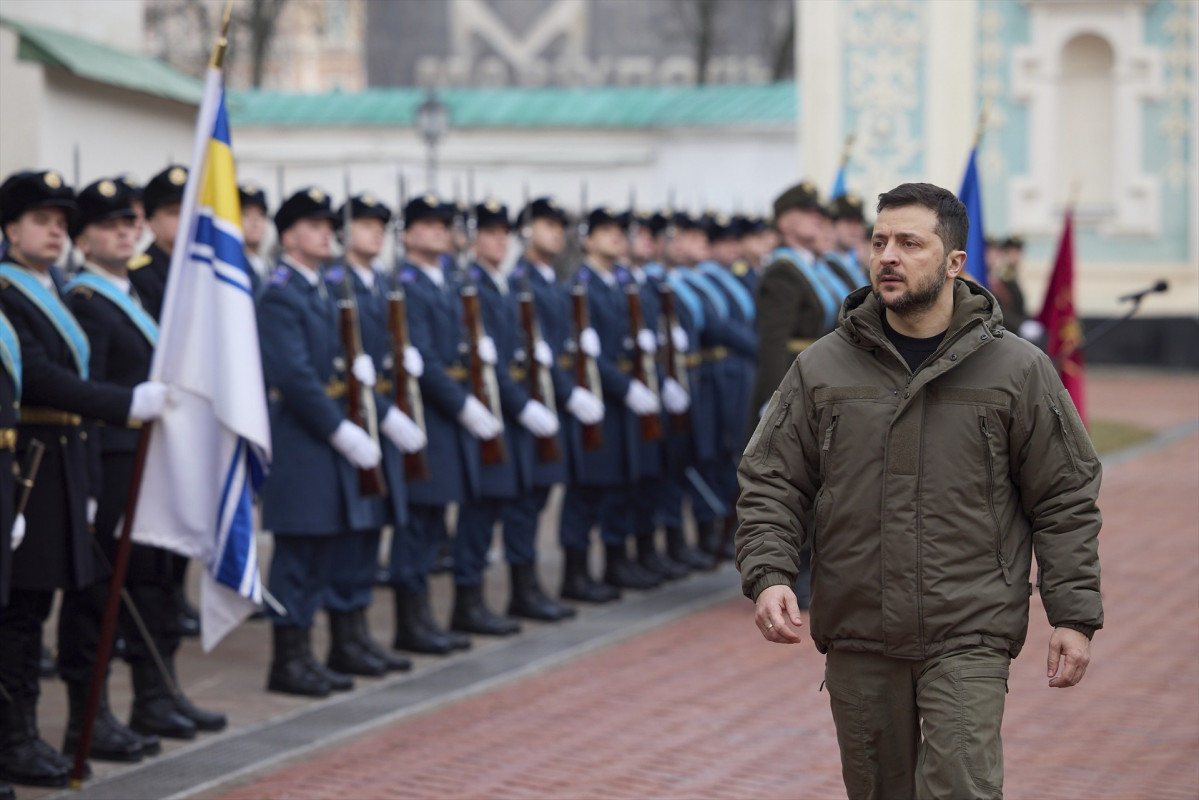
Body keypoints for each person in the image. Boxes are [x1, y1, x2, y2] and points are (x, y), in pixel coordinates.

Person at [736, 182, 1103, 800]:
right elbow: (772, 478)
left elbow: (1063, 497)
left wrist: (1074, 615)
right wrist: (770, 571)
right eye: (879, 241)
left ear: (955, 262)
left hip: (969, 627)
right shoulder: (822, 367)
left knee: (962, 788)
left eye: (910, 242)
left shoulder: (1017, 369)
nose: (888, 256)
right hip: (858, 626)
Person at [0, 169, 167, 788]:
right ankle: (14, 738)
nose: (54, 232)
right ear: (11, 228)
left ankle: (34, 734)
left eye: (60, 222)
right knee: (21, 615)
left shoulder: (54, 288)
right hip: (31, 464)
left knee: (45, 602)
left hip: (69, 460)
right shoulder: (11, 293)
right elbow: (40, 377)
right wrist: (124, 403)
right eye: (41, 221)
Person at [257, 187, 382, 697]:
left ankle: (310, 653)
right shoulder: (280, 292)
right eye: (313, 225)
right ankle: (287, 660)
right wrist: (340, 429)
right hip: (301, 441)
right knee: (296, 556)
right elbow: (295, 374)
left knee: (321, 552)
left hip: (325, 441)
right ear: (289, 237)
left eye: (329, 224)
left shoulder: (323, 289)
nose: (326, 232)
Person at [392, 193, 498, 654]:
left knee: (434, 523)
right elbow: (427, 361)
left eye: (444, 224)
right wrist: (464, 405)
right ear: (409, 233)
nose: (439, 231)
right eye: (428, 224)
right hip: (428, 415)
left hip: (450, 418)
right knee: (417, 523)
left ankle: (426, 619)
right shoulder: (406, 283)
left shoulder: (448, 282)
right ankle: (409, 623)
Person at [453, 198, 562, 633]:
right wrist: (522, 405)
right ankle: (467, 600)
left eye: (504, 234)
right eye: (489, 234)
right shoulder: (472, 285)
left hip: (513, 409)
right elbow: (485, 364)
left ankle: (524, 586)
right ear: (473, 239)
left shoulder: (509, 286)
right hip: (490, 411)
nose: (499, 241)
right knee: (480, 511)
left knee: (519, 502)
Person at [322, 192, 420, 676]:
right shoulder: (335, 284)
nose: (374, 233)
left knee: (373, 529)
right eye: (364, 225)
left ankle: (360, 632)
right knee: (352, 531)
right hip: (359, 419)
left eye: (380, 226)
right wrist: (384, 411)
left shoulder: (382, 283)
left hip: (381, 417)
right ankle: (344, 637)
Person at [504, 197, 597, 617]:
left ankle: (533, 588)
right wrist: (568, 392)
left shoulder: (552, 281)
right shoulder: (520, 282)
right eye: (547, 224)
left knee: (540, 497)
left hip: (553, 401)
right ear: (525, 229)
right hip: (535, 402)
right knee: (525, 502)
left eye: (561, 225)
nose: (557, 232)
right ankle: (522, 591)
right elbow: (534, 352)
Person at [127, 164, 199, 640]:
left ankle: (178, 592)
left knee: (189, 504)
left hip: (193, 408)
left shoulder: (202, 271)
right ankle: (159, 601)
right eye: (172, 213)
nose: (182, 221)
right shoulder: (142, 274)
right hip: (160, 406)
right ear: (151, 221)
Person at [239, 182, 270, 295]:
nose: (255, 221)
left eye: (261, 214)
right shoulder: (233, 267)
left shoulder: (269, 266)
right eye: (245, 214)